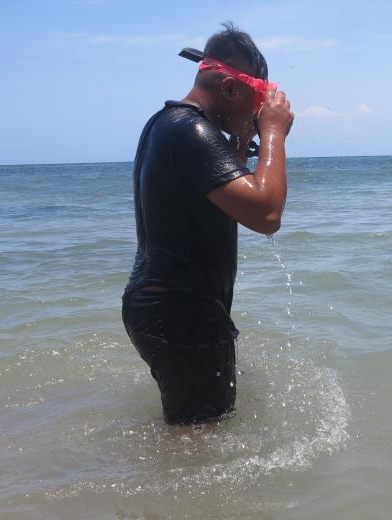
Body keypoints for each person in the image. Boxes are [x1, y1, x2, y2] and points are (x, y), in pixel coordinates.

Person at [121, 23, 294, 424]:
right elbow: (266, 214)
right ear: (231, 89)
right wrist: (273, 133)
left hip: (165, 309)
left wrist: (242, 147)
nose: (257, 113)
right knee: (199, 441)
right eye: (257, 101)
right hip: (182, 314)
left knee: (195, 431)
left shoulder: (170, 124)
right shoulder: (193, 131)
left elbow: (225, 202)